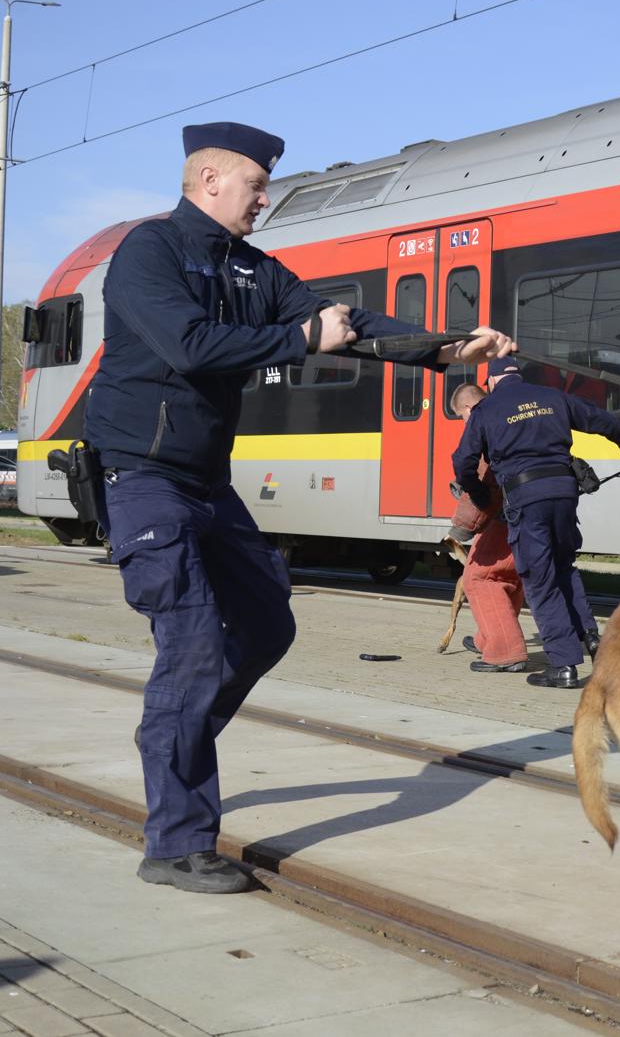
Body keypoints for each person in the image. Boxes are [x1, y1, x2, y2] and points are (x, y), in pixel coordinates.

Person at [85, 121, 515, 894]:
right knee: (191, 651)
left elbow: (346, 324)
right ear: (210, 180)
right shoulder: (149, 253)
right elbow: (190, 345)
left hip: (208, 484)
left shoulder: (252, 270)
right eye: (255, 185)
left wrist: (449, 348)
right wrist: (300, 340)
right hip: (144, 478)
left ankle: (174, 735)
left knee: (266, 623)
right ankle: (176, 843)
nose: (266, 198)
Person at [452, 357, 620, 688]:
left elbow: (463, 462)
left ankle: (563, 664)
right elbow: (601, 420)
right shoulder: (552, 397)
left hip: (527, 498)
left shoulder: (487, 410)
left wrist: (480, 497)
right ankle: (591, 638)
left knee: (540, 579)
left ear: (492, 382)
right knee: (564, 567)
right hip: (565, 493)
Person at [446, 383, 529, 671]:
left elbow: (482, 480)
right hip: (536, 510)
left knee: (480, 577)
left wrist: (459, 530)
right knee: (510, 576)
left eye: (460, 416)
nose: (464, 422)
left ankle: (505, 650)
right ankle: (488, 638)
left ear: (469, 408)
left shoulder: (484, 424)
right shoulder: (516, 416)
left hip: (505, 515)